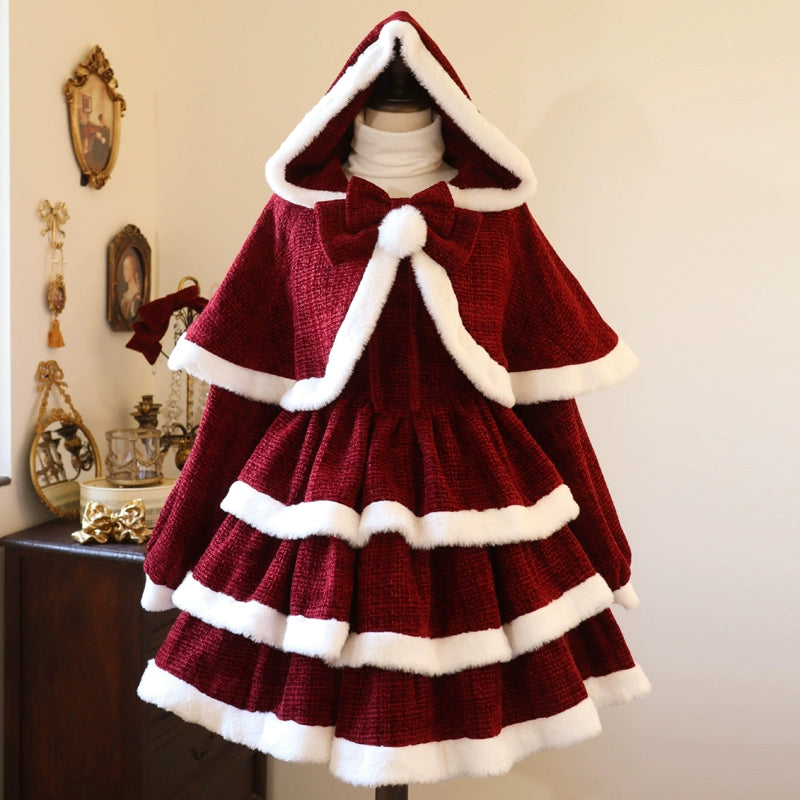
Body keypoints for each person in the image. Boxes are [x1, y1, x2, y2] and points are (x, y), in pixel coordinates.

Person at [137, 12, 649, 787]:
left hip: (471, 509)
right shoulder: (298, 216)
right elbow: (236, 406)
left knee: (454, 685)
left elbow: (550, 402)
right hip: (320, 504)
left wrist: (606, 551)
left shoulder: (496, 221)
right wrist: (175, 550)